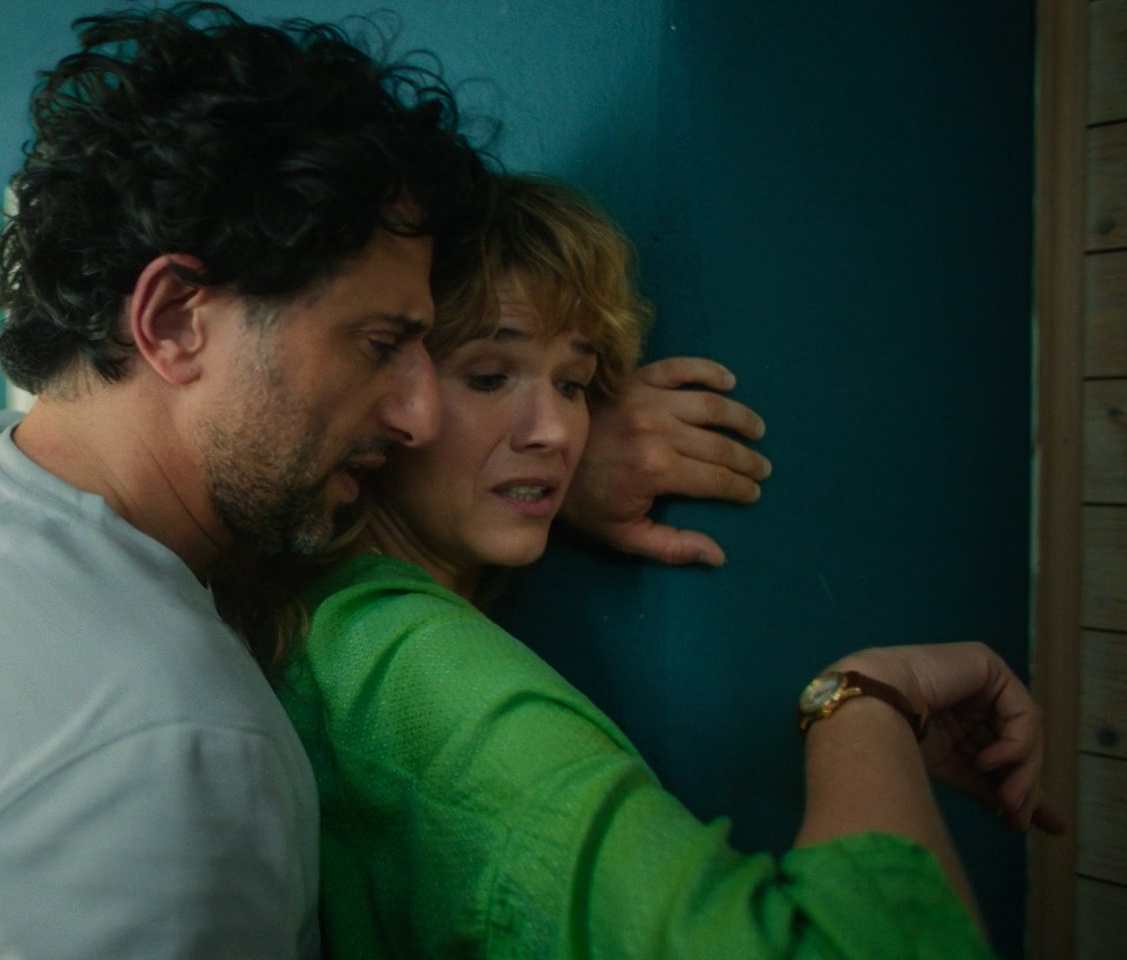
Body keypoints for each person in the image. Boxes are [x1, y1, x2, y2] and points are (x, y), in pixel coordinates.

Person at [0, 4, 768, 956]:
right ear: (172, 320)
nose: (417, 415)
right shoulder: (178, 758)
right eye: (377, 345)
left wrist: (529, 454)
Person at [258, 174, 1065, 958]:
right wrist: (867, 703)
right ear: (392, 399)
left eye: (574, 384)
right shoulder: (422, 673)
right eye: (489, 376)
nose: (555, 433)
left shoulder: (323, 610)